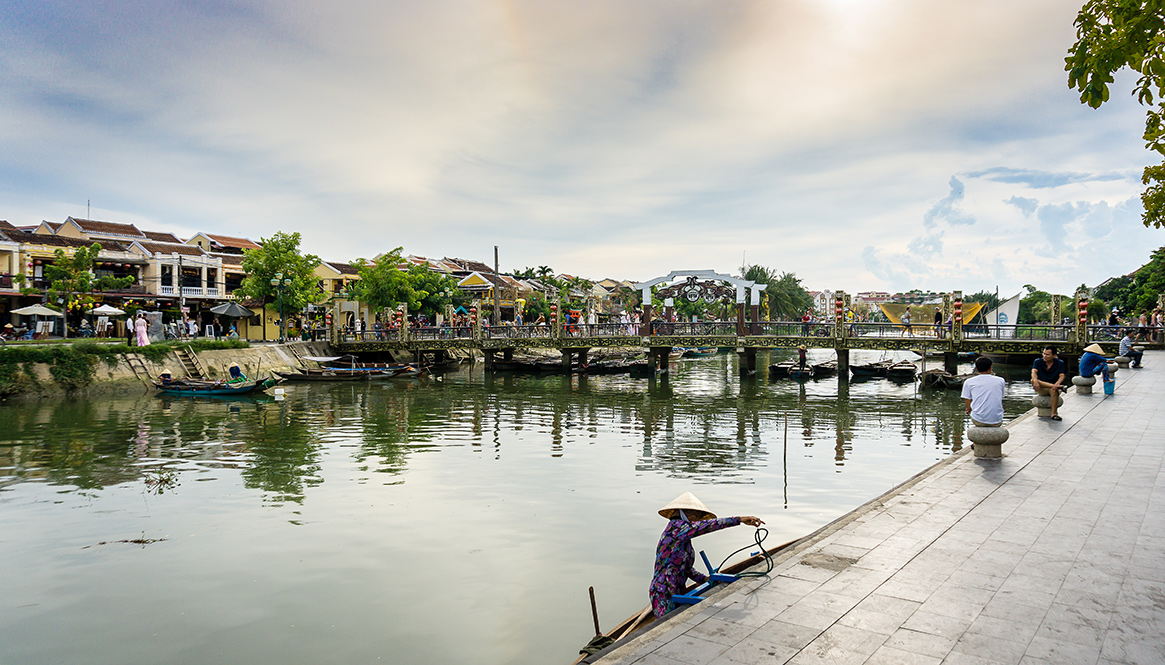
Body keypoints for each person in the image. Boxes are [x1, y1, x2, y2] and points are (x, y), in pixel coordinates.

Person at [649, 493, 764, 618]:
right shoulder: (677, 528)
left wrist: (703, 579)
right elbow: (709, 526)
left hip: (677, 590)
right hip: (664, 592)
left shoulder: (683, 536)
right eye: (696, 516)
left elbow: (684, 568)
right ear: (685, 512)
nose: (697, 520)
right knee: (666, 627)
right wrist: (739, 519)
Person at [961, 356, 1006, 427]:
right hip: (997, 419)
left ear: (976, 368)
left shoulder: (969, 382)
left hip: (978, 420)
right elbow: (1000, 397)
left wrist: (968, 409)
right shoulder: (1000, 380)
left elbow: (967, 399)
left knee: (972, 411)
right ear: (991, 368)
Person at [1031, 345, 1066, 420]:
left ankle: (1054, 414)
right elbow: (1034, 371)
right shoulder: (1038, 361)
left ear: (1054, 355)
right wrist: (1035, 381)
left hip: (1054, 388)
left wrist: (1057, 383)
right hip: (1041, 388)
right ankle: (1059, 387)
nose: (1045, 356)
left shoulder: (1060, 363)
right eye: (1044, 353)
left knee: (1054, 390)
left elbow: (1062, 375)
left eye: (1047, 354)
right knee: (1032, 380)